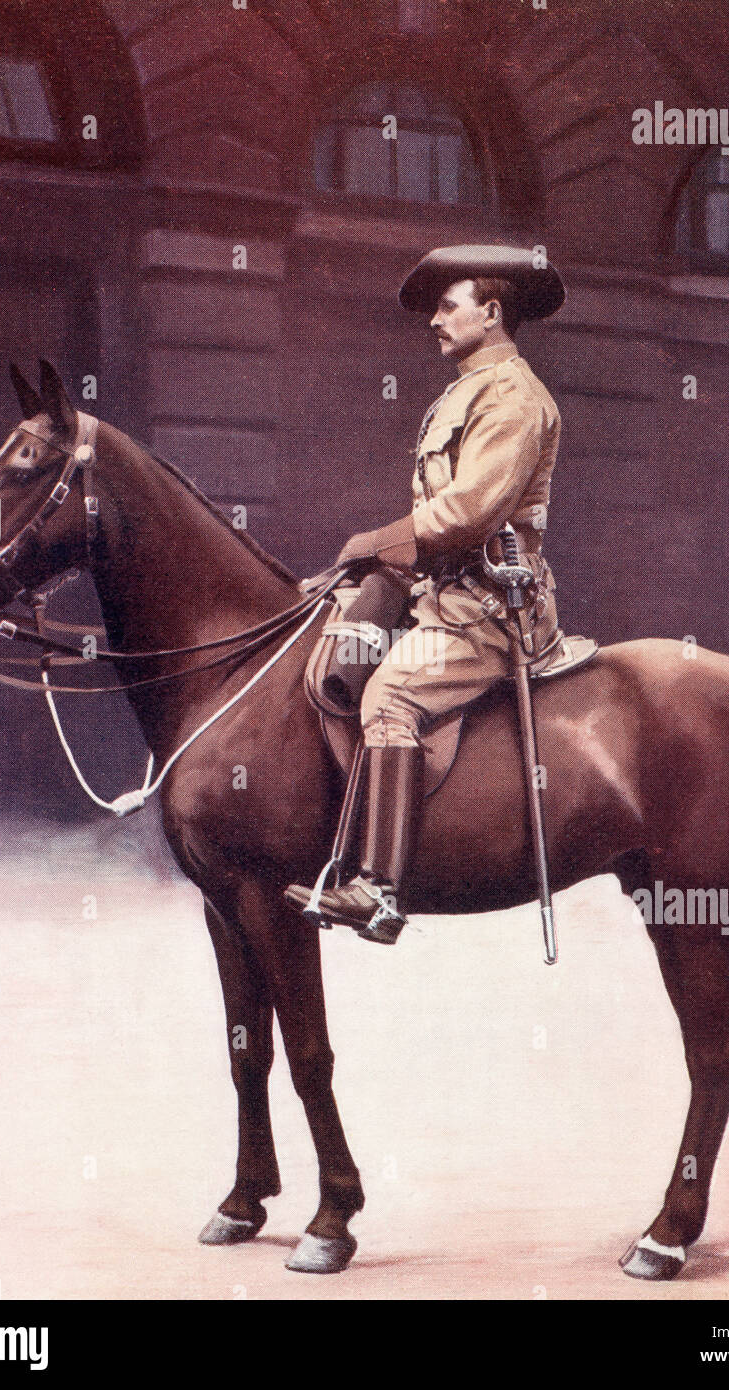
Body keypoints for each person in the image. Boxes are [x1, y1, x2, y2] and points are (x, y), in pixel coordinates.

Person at [286, 244, 565, 944]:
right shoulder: (465, 390)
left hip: (489, 612)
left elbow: (471, 511)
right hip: (440, 596)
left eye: (449, 306)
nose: (434, 322)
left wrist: (377, 541)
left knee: (392, 695)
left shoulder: (514, 398)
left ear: (492, 311)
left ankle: (379, 892)